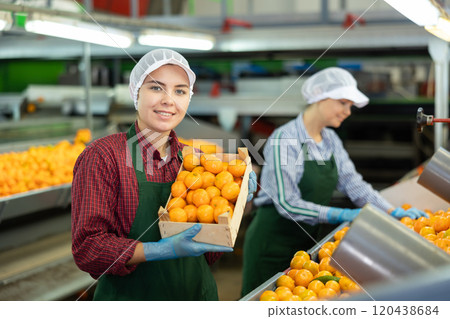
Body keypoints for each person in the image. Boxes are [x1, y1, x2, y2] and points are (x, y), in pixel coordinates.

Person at [71, 48, 256, 301]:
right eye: (156, 88)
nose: (169, 100)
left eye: (180, 91)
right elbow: (88, 248)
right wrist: (157, 250)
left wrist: (239, 203)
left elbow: (211, 252)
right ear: (136, 92)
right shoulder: (104, 156)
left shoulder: (197, 161)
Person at [240, 67, 427, 297]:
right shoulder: (285, 139)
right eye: (343, 103)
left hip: (306, 243)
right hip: (271, 243)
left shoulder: (330, 140)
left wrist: (390, 211)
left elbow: (354, 184)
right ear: (319, 96)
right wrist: (341, 215)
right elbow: (288, 204)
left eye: (350, 106)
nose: (348, 111)